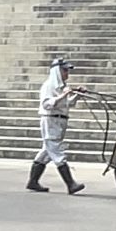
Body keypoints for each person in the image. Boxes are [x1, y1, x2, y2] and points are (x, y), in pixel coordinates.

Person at [26, 58, 86, 195]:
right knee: (57, 153)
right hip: (51, 120)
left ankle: (33, 181)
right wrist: (64, 95)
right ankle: (70, 183)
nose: (67, 74)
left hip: (59, 121)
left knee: (46, 153)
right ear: (57, 71)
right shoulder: (49, 86)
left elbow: (66, 104)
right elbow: (46, 104)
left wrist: (77, 95)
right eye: (64, 70)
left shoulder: (60, 87)